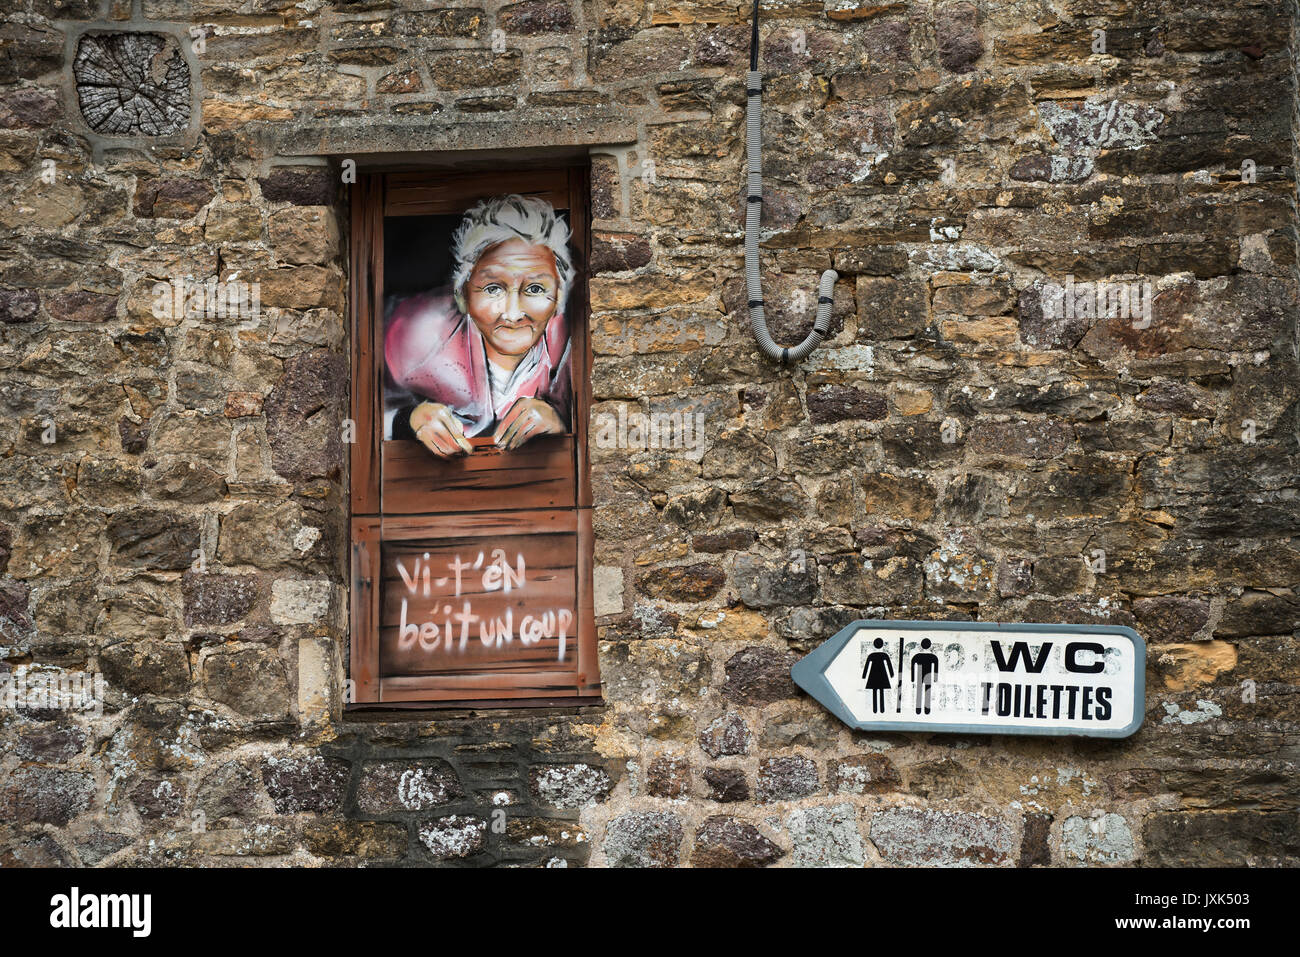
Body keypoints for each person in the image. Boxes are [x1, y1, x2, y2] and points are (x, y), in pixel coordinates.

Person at [384, 194, 573, 458]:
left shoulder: (571, 345)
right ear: (463, 294)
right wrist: (408, 420)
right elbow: (359, 410)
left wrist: (559, 422)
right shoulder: (416, 334)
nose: (513, 313)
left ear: (559, 296)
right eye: (493, 288)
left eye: (535, 288)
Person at [862, 637, 894, 714]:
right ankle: (881, 709)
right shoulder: (884, 655)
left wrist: (864, 675)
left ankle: (875, 709)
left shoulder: (872, 655)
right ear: (882, 645)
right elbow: (889, 665)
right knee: (881, 692)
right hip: (882, 674)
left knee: (875, 691)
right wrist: (891, 674)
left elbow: (867, 666)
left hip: (873, 674)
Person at [911, 637, 939, 715]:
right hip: (928, 675)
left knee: (920, 691)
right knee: (927, 691)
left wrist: (912, 678)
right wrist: (935, 678)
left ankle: (919, 709)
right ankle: (926, 710)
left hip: (921, 675)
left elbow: (913, 665)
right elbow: (936, 666)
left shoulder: (918, 656)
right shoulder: (932, 657)